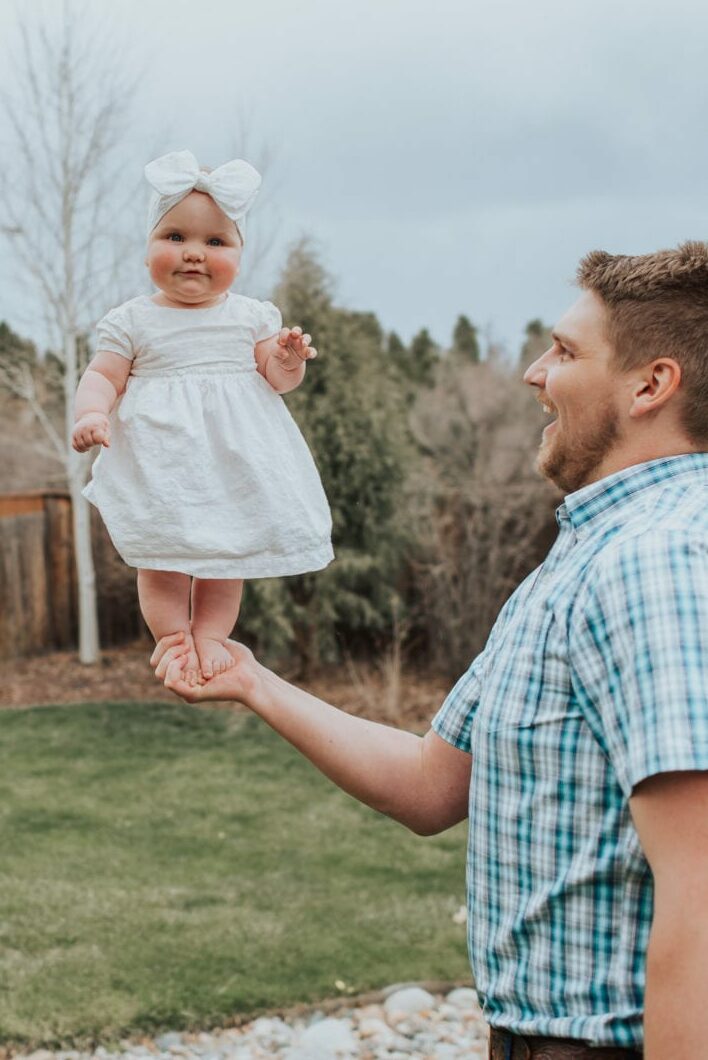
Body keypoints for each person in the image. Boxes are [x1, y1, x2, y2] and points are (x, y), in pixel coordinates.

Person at [151, 242, 708, 1060]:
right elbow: (431, 785)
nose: (532, 371)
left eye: (564, 350)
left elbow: (699, 899)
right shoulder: (585, 558)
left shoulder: (658, 559)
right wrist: (254, 681)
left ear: (651, 385)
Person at [73, 150, 333, 684]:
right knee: (161, 553)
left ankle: (211, 634)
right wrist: (92, 413)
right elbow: (103, 376)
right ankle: (172, 634)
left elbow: (277, 380)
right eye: (175, 237)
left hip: (232, 462)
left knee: (225, 555)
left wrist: (286, 359)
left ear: (240, 252)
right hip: (161, 462)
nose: (194, 253)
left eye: (215, 242)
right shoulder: (132, 321)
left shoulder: (252, 317)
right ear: (148, 246)